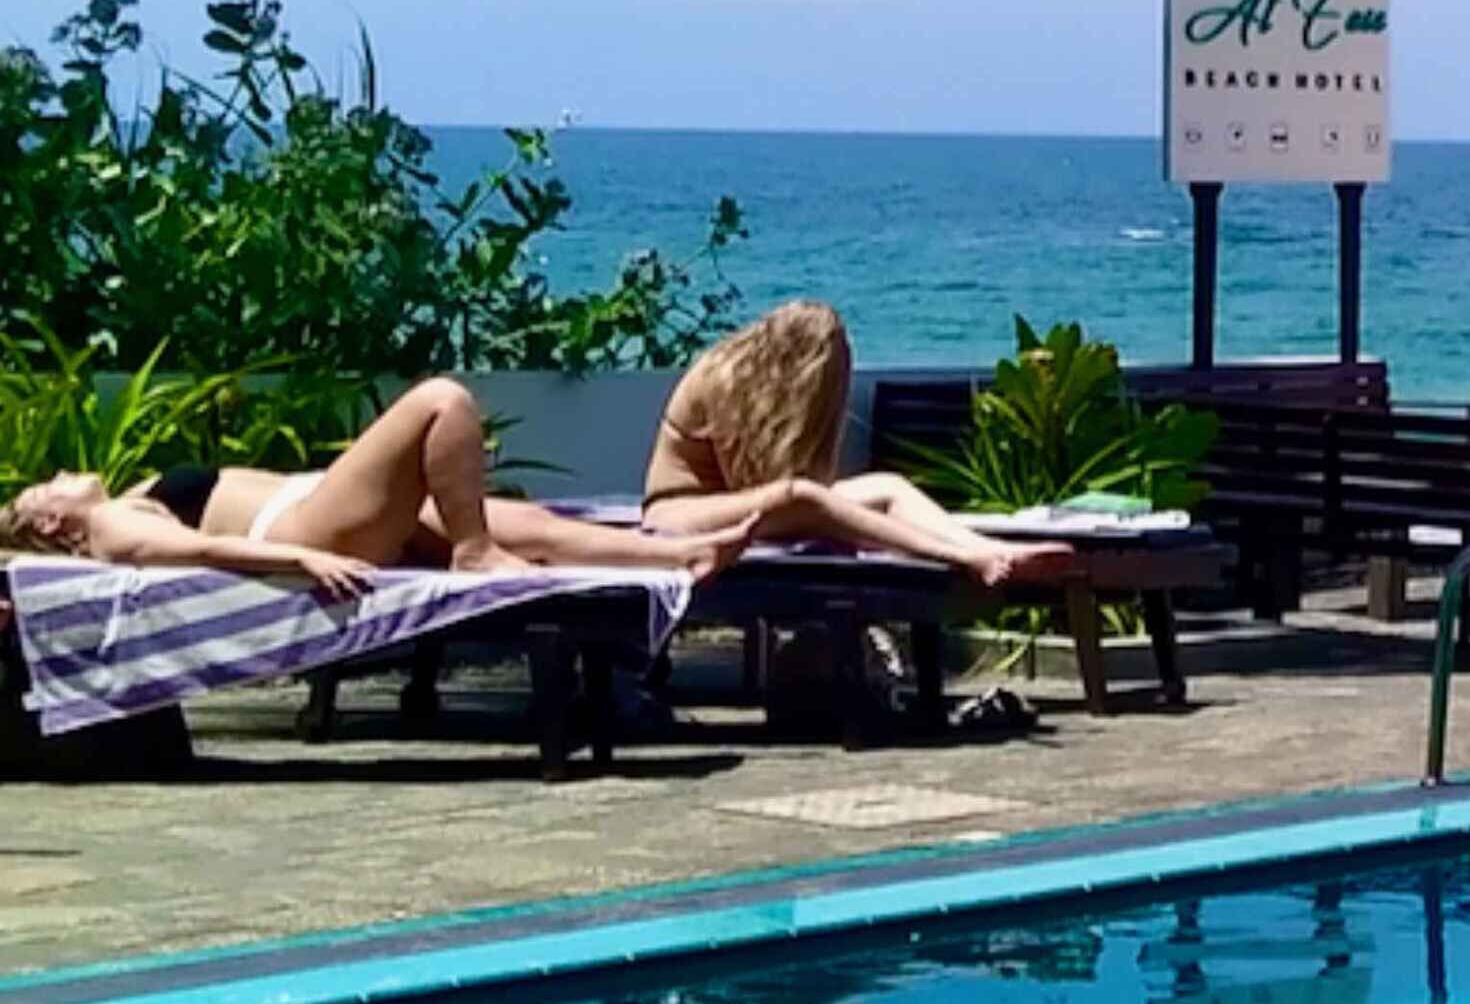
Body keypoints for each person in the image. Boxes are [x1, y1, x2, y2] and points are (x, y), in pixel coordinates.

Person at [4, 374, 752, 589]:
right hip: (301, 531)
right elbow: (188, 555)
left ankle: (682, 557)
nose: (61, 474)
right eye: (46, 487)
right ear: (49, 525)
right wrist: (300, 559)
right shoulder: (109, 525)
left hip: (316, 510)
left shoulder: (124, 499)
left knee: (537, 530)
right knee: (442, 401)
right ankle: (473, 554)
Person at [637, 298, 1072, 588]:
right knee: (801, 495)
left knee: (888, 486)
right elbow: (759, 487)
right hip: (681, 512)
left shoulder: (759, 378)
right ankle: (960, 558)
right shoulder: (723, 375)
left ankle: (989, 548)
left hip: (744, 507)